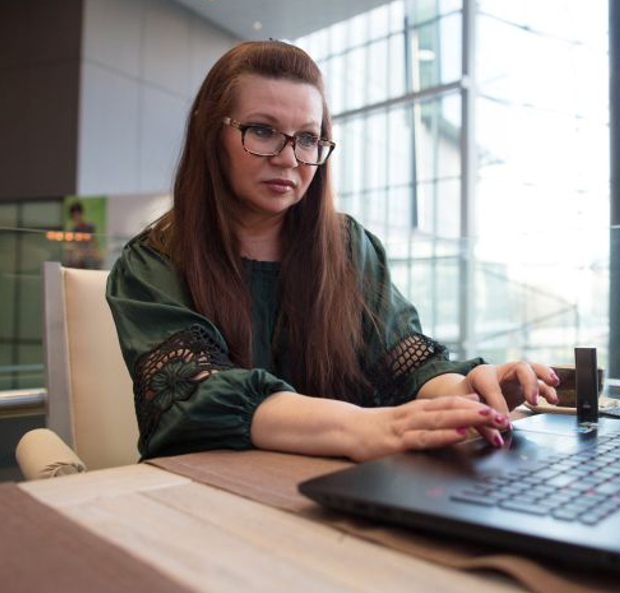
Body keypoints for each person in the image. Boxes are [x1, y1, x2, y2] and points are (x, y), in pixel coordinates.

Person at [106, 40, 559, 462]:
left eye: (307, 138)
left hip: (332, 486)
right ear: (212, 134)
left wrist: (467, 393)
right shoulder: (152, 262)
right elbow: (196, 396)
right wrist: (361, 428)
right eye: (263, 131)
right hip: (201, 500)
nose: (288, 158)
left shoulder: (349, 247)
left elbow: (404, 359)